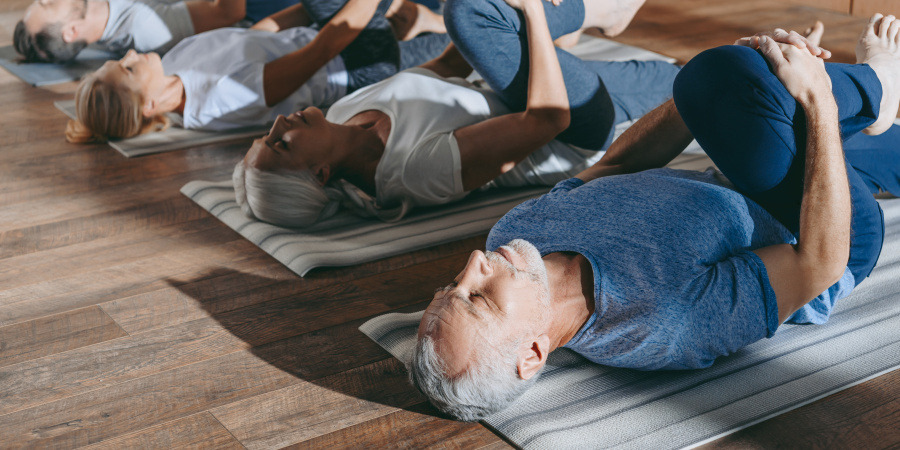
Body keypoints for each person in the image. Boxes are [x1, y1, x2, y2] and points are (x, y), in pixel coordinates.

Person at [407, 12, 900, 422]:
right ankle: (877, 85)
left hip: (742, 171)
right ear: (532, 353)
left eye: (453, 284)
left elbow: (615, 166)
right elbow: (818, 263)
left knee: (718, 86)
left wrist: (695, 105)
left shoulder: (518, 234)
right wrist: (818, 98)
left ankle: (856, 111)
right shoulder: (662, 323)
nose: (475, 263)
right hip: (826, 231)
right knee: (726, 78)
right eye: (479, 298)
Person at [232, 0, 679, 227]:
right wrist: (532, 15)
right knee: (468, 12)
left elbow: (448, 66)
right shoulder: (413, 173)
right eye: (281, 144)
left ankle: (603, 12)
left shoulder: (345, 113)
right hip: (572, 127)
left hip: (518, 87)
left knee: (683, 82)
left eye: (265, 135)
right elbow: (549, 120)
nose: (278, 124)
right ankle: (603, 10)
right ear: (321, 173)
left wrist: (496, 35)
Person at [64, 0, 449, 143]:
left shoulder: (173, 65)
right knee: (452, 43)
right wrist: (364, 5)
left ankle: (418, 19)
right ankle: (418, 20)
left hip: (328, 35)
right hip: (358, 63)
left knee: (440, 29)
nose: (131, 53)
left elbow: (256, 35)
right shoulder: (219, 100)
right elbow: (321, 52)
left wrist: (321, 6)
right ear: (149, 105)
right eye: (128, 68)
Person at [14, 0, 247, 62]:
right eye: (48, 4)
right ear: (72, 31)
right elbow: (229, 12)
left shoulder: (100, 9)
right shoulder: (143, 29)